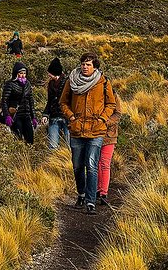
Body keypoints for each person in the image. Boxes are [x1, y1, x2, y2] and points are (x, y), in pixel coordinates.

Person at [60, 52, 116, 215]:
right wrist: (71, 116)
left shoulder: (103, 82)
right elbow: (63, 102)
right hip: (77, 130)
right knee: (78, 166)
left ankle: (91, 202)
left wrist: (102, 119)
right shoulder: (72, 80)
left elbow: (111, 103)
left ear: (95, 67)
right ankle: (82, 194)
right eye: (83, 63)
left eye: (89, 64)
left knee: (91, 165)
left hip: (96, 130)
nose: (85, 67)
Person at [0, 62, 36, 144]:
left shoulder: (28, 84)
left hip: (26, 115)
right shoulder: (10, 84)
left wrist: (34, 117)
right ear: (16, 73)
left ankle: (27, 155)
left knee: (30, 140)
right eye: (21, 73)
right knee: (18, 138)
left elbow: (31, 101)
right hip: (16, 115)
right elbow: (4, 101)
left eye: (24, 73)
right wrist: (7, 116)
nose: (23, 75)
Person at [97, 91, 122, 206]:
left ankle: (104, 193)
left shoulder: (113, 95)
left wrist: (105, 122)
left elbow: (118, 114)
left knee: (105, 164)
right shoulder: (93, 92)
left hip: (109, 136)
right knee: (95, 163)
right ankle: (97, 188)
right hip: (94, 134)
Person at [42, 58, 70, 150]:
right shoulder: (50, 84)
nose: (48, 75)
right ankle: (53, 161)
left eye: (50, 73)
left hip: (67, 118)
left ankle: (69, 163)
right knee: (52, 146)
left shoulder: (68, 82)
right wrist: (45, 114)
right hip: (54, 118)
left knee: (70, 145)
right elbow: (49, 101)